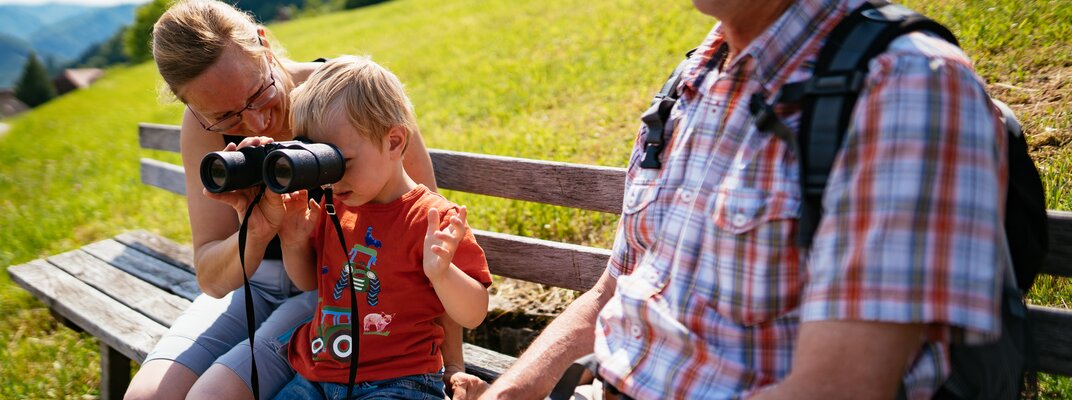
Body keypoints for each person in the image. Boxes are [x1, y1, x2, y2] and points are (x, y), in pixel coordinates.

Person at [476, 0, 1010, 399]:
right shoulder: (692, 81)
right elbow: (613, 290)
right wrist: (510, 390)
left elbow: (841, 386)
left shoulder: (905, 84)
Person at [123, 1, 485, 399]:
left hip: (323, 291)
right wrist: (256, 231)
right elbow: (211, 277)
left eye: (259, 93)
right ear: (191, 105)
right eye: (226, 117)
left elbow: (426, 227)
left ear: (263, 43)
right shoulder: (200, 125)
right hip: (253, 287)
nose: (258, 123)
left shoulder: (346, 97)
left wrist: (452, 367)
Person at [270, 55, 493, 399]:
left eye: (340, 162)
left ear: (393, 142)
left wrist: (442, 274)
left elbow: (475, 313)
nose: (330, 179)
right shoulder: (335, 208)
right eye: (322, 164)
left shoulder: (432, 218)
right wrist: (294, 242)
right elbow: (310, 283)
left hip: (400, 381)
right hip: (316, 376)